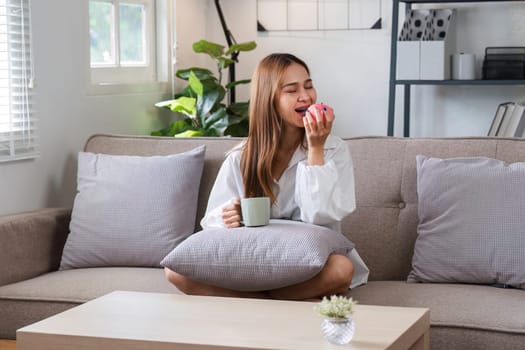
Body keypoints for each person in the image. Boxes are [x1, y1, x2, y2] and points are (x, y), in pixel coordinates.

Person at [165, 53, 369, 300]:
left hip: (312, 262)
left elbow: (320, 216)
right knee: (176, 272)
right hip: (257, 260)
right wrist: (228, 215)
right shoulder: (241, 157)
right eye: (292, 90)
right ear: (269, 99)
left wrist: (315, 149)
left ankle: (254, 301)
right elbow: (211, 222)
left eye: (308, 85)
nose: (306, 96)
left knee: (341, 270)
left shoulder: (334, 150)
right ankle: (280, 300)